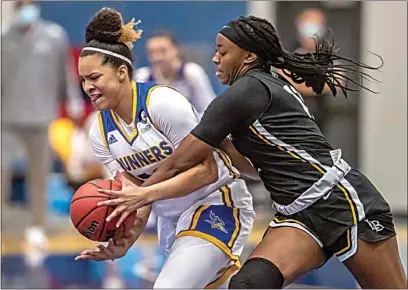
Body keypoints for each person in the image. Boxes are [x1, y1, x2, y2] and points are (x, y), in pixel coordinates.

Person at [98, 15, 407, 288]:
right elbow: (245, 165)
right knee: (249, 284)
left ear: (247, 56)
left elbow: (181, 159)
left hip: (343, 203)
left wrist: (140, 194)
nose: (215, 59)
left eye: (223, 51)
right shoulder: (255, 90)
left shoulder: (246, 91)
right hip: (298, 215)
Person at [74, 8, 255, 289]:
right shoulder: (99, 132)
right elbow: (135, 196)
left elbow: (206, 171)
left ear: (122, 72)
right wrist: (125, 241)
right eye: (84, 80)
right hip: (170, 220)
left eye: (95, 77)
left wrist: (145, 193)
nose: (88, 86)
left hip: (215, 204)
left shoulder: (162, 104)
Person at [1, 0, 83, 262]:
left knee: (39, 174)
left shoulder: (54, 36)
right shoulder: (4, 37)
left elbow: (66, 72)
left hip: (41, 115)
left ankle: (36, 226)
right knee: (1, 170)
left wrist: (73, 99)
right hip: (7, 118)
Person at [134, 30, 216, 116]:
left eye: (163, 51)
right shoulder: (143, 77)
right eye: (152, 53)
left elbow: (210, 110)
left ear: (176, 50)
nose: (157, 58)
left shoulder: (191, 73)